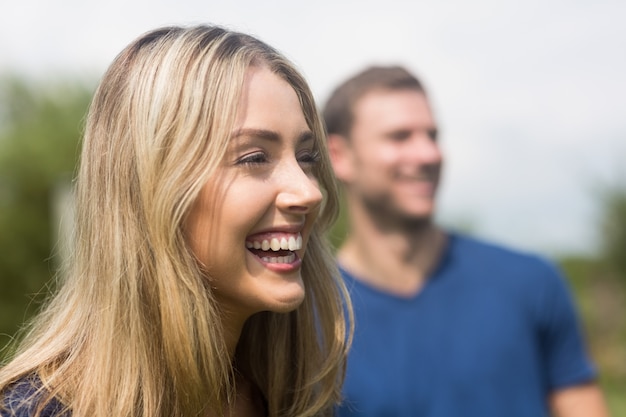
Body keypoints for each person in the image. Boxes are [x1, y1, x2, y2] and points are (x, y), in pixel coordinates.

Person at [0, 25, 352, 417]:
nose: (309, 192)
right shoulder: (31, 411)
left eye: (307, 159)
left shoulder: (297, 402)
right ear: (149, 187)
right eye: (255, 158)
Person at [323, 65, 609, 417]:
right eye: (400, 136)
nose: (428, 154)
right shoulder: (308, 316)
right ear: (339, 156)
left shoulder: (530, 283)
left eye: (432, 135)